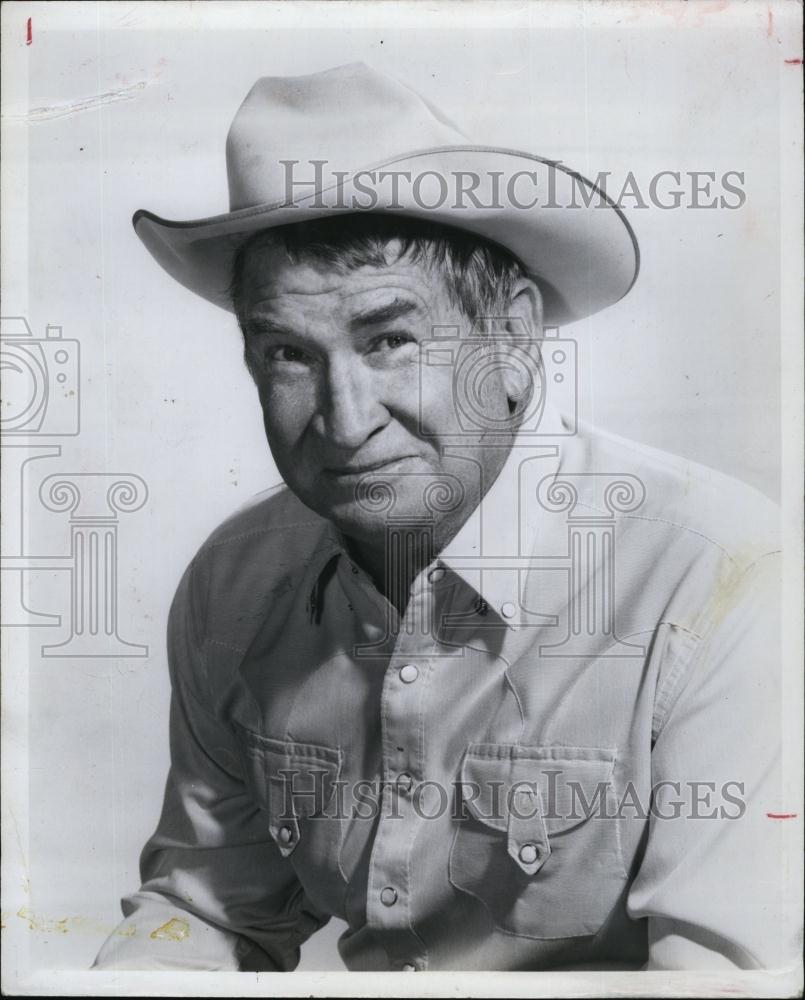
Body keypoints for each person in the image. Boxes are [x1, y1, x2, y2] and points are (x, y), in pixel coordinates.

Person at [93, 63, 792, 972]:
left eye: (390, 340)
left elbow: (718, 984)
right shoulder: (234, 581)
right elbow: (210, 912)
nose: (346, 420)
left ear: (512, 341)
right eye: (288, 354)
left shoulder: (721, 579)